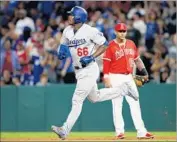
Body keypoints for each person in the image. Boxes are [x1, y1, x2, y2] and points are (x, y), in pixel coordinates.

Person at [51, 6, 137, 140]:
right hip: (78, 71)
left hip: (89, 69)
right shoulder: (67, 30)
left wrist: (92, 57)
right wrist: (61, 50)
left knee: (77, 99)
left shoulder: (90, 31)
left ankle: (65, 130)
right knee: (94, 97)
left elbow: (105, 44)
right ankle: (124, 89)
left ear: (78, 17)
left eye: (72, 15)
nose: (69, 17)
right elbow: (63, 45)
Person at [103, 23, 154, 139]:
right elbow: (106, 63)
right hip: (115, 77)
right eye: (120, 31)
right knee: (117, 105)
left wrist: (145, 72)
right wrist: (106, 78)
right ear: (115, 32)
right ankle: (119, 132)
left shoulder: (131, 44)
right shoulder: (110, 45)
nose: (122, 33)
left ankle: (141, 132)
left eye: (124, 31)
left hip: (129, 77)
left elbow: (137, 60)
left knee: (135, 103)